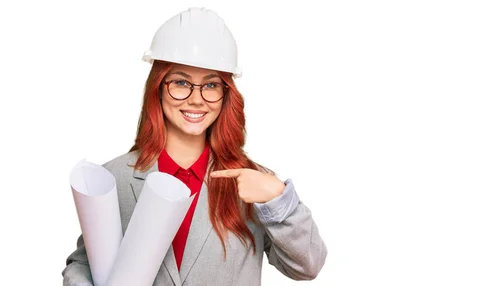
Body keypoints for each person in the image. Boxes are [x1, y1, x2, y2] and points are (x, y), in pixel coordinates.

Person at [62, 7, 327, 286]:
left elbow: (306, 266)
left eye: (211, 85)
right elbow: (86, 262)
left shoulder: (254, 184)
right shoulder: (114, 177)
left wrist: (278, 198)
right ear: (158, 87)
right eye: (180, 82)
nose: (196, 99)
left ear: (226, 94)